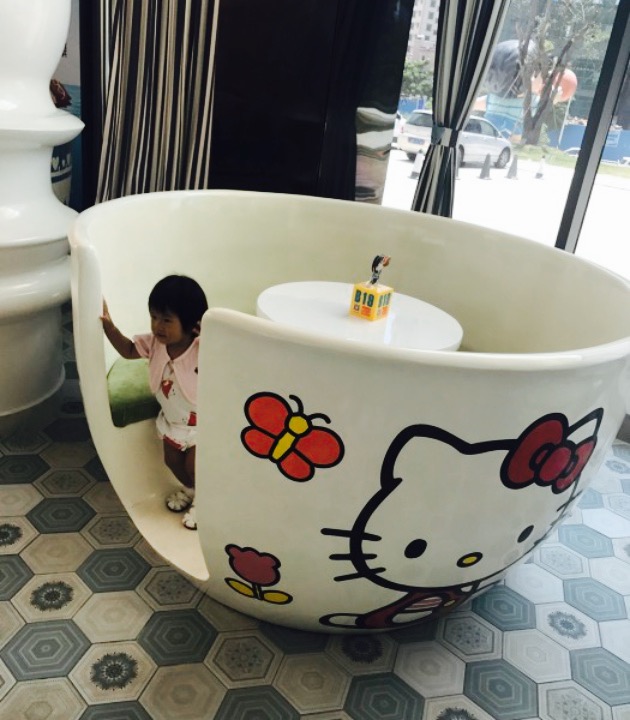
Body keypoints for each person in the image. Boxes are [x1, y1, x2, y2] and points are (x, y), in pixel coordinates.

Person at [101, 275, 208, 530]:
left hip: (202, 424)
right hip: (172, 421)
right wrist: (109, 327)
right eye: (154, 317)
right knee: (172, 461)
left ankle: (205, 502)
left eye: (167, 320)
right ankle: (191, 489)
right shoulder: (155, 344)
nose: (158, 326)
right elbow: (128, 350)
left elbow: (226, 352)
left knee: (195, 466)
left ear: (191, 324)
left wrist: (208, 331)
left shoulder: (201, 348)